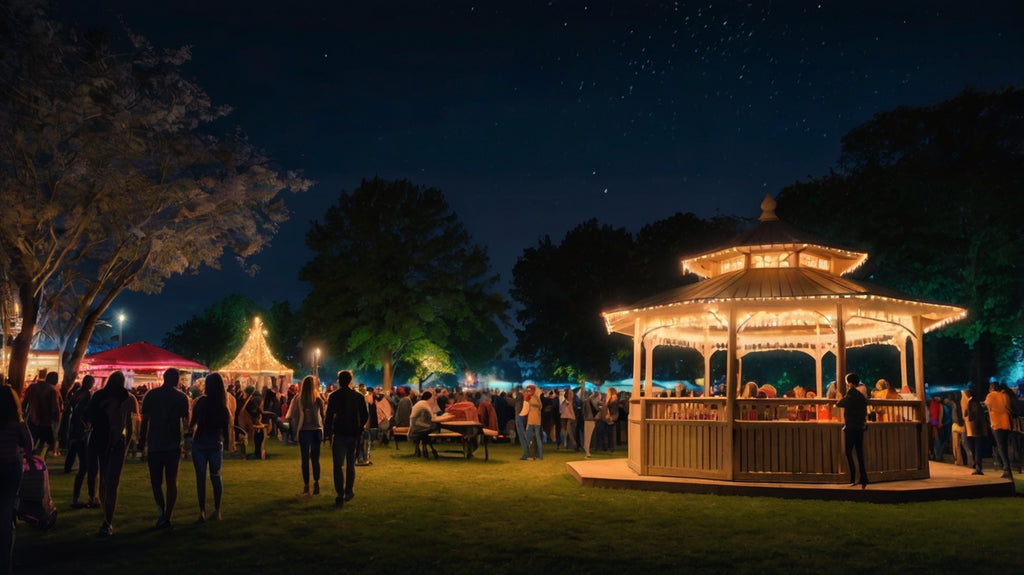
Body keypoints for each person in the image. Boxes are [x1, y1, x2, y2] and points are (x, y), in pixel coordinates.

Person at [85, 370, 140, 536]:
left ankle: (107, 519)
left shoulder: (101, 396)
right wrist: (128, 444)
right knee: (111, 481)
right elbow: (131, 425)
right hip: (114, 441)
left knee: (106, 479)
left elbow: (88, 417)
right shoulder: (128, 398)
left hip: (103, 440)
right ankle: (107, 519)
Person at [139, 368, 191, 528]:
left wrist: (141, 441)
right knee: (171, 481)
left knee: (156, 481)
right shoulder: (181, 398)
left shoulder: (151, 395)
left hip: (155, 443)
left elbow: (145, 421)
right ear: (176, 380)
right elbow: (186, 422)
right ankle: (167, 514)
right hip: (173, 444)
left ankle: (162, 510)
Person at [0, 383, 34, 575]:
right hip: (12, 466)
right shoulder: (18, 423)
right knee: (8, 504)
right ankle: (6, 560)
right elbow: (29, 444)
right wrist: (27, 457)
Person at [190, 372, 231, 522]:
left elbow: (193, 422)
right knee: (216, 476)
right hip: (215, 443)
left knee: (200, 478)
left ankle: (202, 511)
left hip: (200, 443)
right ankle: (217, 510)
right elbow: (225, 429)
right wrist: (228, 443)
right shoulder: (222, 406)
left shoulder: (202, 402)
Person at [323, 370, 368, 508]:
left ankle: (339, 493)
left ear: (339, 381)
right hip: (353, 433)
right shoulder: (358, 397)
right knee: (350, 463)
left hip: (339, 432)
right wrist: (360, 428)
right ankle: (349, 490)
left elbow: (329, 415)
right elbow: (365, 415)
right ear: (350, 381)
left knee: (338, 465)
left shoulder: (334, 396)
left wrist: (328, 431)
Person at [286, 375, 325, 495]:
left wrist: (295, 431)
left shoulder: (299, 399)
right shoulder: (317, 398)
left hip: (304, 430)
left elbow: (294, 415)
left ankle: (306, 485)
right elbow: (323, 416)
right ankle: (316, 482)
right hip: (316, 430)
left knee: (305, 459)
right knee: (315, 459)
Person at [837, 372, 869, 488]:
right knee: (859, 452)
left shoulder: (852, 393)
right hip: (860, 425)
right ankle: (863, 477)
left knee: (848, 451)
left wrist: (840, 397)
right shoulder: (863, 393)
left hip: (851, 426)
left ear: (850, 383)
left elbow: (840, 404)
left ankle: (853, 477)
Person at [23, 371, 62, 459]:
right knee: (44, 446)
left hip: (32, 420)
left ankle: (28, 461)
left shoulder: (33, 387)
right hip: (46, 423)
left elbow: (24, 403)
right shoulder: (52, 390)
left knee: (31, 443)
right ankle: (39, 462)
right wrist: (56, 425)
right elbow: (55, 409)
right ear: (55, 380)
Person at [63, 375, 95, 475]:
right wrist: (88, 422)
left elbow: (71, 405)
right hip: (81, 422)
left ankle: (69, 466)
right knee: (82, 445)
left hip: (74, 421)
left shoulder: (77, 393)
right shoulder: (87, 394)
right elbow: (88, 410)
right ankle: (83, 465)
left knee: (74, 445)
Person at [407, 390, 452, 458]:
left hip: (415, 427)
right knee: (436, 426)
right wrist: (448, 417)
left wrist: (445, 416)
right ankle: (427, 447)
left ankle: (424, 447)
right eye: (433, 398)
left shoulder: (421, 403)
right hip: (418, 428)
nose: (434, 400)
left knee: (433, 428)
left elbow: (433, 416)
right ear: (429, 398)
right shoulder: (425, 406)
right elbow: (434, 419)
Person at [984, 380, 1014, 479]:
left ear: (992, 388)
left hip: (996, 423)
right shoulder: (1005, 395)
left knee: (1001, 446)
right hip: (1006, 423)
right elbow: (1008, 408)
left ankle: (1006, 468)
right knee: (1005, 445)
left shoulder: (990, 396)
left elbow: (988, 406)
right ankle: (1005, 465)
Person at [963, 388, 988, 475]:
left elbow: (974, 417)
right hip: (972, 431)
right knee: (974, 448)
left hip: (976, 430)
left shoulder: (973, 404)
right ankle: (976, 465)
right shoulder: (969, 404)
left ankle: (978, 466)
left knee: (976, 448)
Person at [521, 383, 544, 460]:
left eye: (529, 390)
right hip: (535, 419)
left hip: (533, 419)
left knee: (530, 437)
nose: (528, 391)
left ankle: (527, 454)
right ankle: (538, 455)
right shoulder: (536, 397)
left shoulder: (532, 397)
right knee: (534, 437)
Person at [582, 388, 602, 458]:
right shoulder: (596, 403)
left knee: (587, 435)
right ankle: (587, 451)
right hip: (592, 420)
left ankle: (586, 449)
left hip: (586, 419)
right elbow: (597, 410)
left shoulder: (586, 401)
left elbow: (583, 411)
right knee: (589, 436)